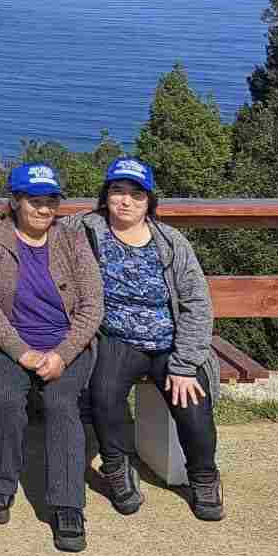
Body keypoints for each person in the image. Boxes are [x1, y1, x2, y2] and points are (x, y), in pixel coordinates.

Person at [70, 157, 224, 521]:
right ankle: (117, 467)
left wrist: (185, 364)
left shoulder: (170, 241)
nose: (125, 201)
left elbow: (197, 303)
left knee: (192, 405)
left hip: (171, 341)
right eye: (117, 191)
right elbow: (34, 225)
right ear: (105, 195)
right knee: (104, 395)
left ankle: (203, 476)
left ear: (149, 201)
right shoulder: (83, 229)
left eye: (136, 194)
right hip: (116, 337)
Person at [0, 163, 103, 552]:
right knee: (5, 399)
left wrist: (62, 354)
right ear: (15, 202)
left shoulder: (72, 240)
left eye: (51, 201)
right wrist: (22, 352)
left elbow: (93, 305)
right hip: (9, 344)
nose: (44, 209)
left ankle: (67, 505)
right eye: (34, 201)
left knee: (62, 404)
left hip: (67, 345)